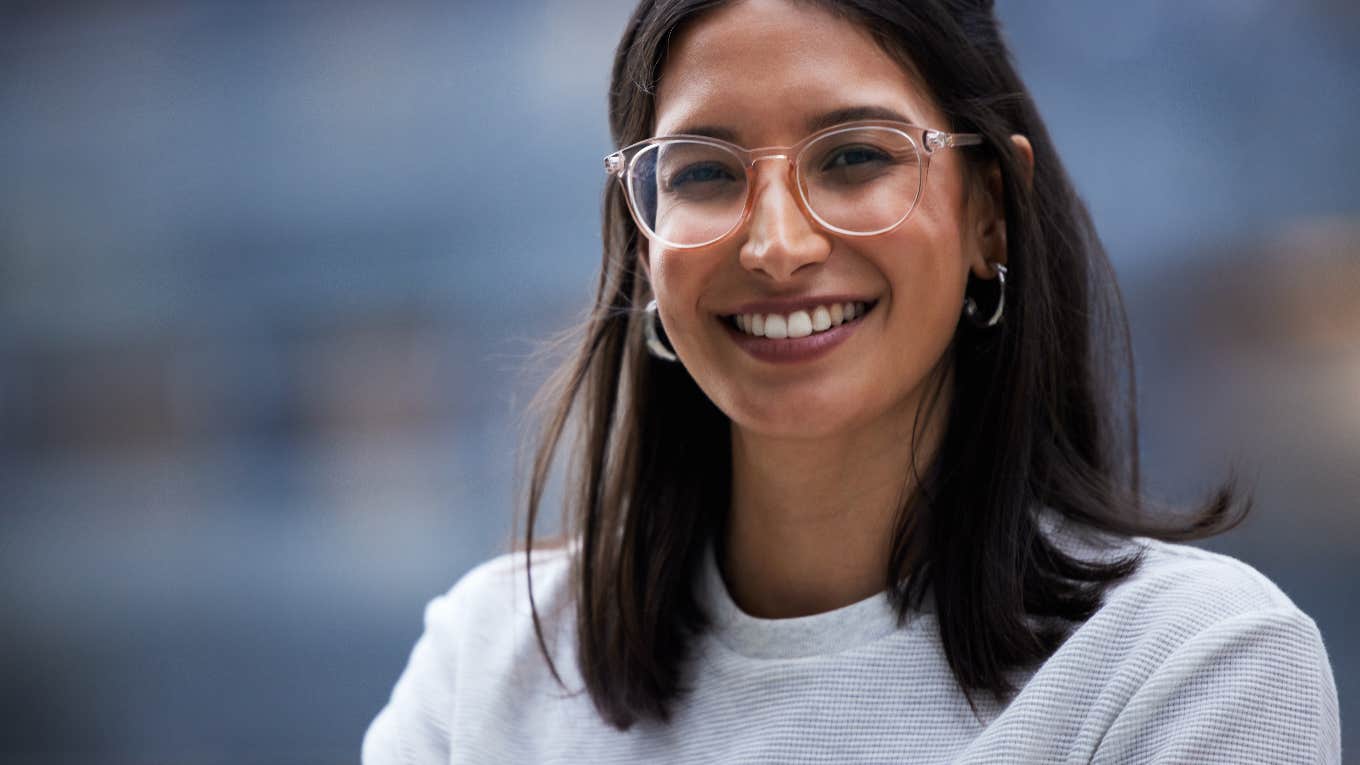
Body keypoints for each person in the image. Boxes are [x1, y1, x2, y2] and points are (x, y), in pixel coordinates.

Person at [363, 0, 1341, 761]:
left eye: (855, 157)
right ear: (641, 235)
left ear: (989, 214)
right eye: (703, 172)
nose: (777, 245)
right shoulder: (486, 665)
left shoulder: (1190, 670)